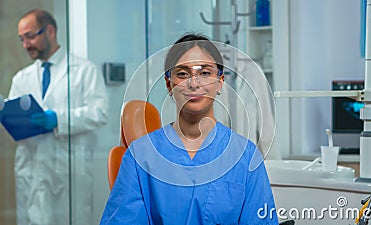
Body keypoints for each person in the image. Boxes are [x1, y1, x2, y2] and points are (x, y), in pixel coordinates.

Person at [100, 33, 278, 224]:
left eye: (204, 73)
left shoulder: (246, 157)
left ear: (220, 82)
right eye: (183, 74)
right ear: (169, 84)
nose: (194, 83)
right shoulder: (140, 156)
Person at [8, 9, 108, 225]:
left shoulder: (83, 70)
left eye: (30, 36)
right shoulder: (21, 78)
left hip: (69, 169)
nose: (26, 44)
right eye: (22, 39)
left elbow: (99, 112)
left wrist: (58, 119)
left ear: (50, 31)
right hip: (32, 168)